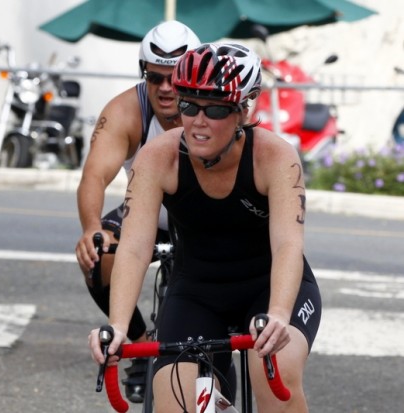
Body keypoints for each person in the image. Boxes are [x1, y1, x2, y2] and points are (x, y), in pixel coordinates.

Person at [88, 42, 322, 413]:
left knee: (275, 372)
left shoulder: (274, 157)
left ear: (243, 110)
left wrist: (278, 313)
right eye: (188, 106)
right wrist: (118, 326)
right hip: (197, 292)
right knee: (173, 399)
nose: (198, 121)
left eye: (214, 109)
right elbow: (133, 248)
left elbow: (288, 246)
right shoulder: (158, 157)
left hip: (270, 287)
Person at [75, 20, 200, 403]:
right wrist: (91, 227)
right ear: (143, 73)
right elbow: (94, 176)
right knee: (99, 255)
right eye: (154, 77)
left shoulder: (210, 109)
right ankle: (141, 343)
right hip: (146, 215)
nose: (165, 88)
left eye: (174, 78)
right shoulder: (126, 111)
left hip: (200, 220)